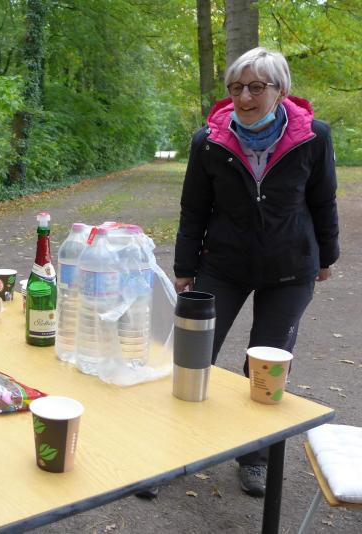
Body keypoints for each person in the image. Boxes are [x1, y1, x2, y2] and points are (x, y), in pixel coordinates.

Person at [174, 48, 339, 497]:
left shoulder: (313, 137)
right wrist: (185, 267)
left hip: (290, 267)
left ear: (280, 90)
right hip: (223, 265)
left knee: (265, 368)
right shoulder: (208, 141)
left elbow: (323, 200)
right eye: (236, 87)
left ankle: (254, 458)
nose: (244, 97)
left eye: (256, 87)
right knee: (193, 358)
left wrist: (326, 257)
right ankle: (172, 451)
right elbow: (194, 208)